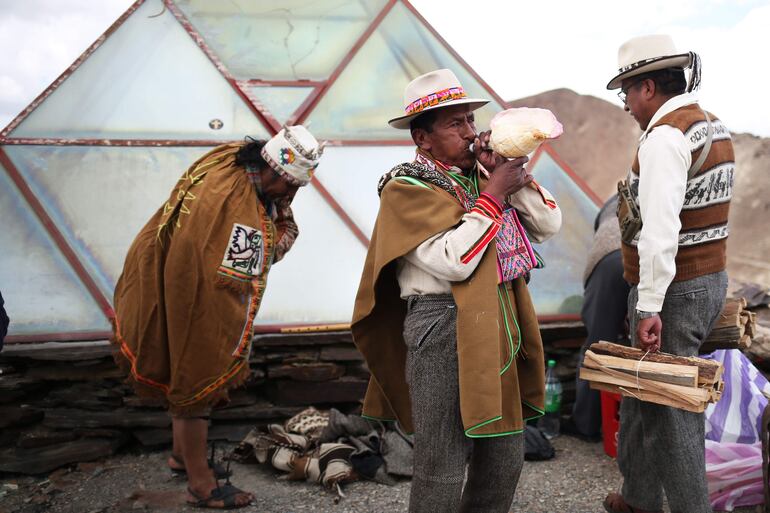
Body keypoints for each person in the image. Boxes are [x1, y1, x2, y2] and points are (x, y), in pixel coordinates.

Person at [351, 69, 561, 513]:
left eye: (470, 120)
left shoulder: (478, 178)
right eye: (455, 124)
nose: (470, 133)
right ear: (423, 138)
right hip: (440, 324)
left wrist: (505, 177)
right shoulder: (405, 188)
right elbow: (453, 260)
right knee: (441, 461)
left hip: (498, 316)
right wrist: (494, 196)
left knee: (503, 454)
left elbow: (546, 225)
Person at [111, 126, 324, 509]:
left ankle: (181, 456)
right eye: (290, 186)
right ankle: (200, 484)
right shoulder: (235, 207)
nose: (291, 196)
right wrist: (286, 229)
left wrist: (278, 210)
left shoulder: (229, 161)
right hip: (195, 294)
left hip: (171, 271)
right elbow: (259, 257)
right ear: (273, 170)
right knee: (199, 369)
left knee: (184, 364)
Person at [604, 35, 734, 513]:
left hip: (674, 290)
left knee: (671, 410)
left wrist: (649, 306)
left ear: (649, 88)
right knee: (643, 391)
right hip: (706, 277)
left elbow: (661, 232)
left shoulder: (665, 138)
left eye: (627, 93)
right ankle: (638, 497)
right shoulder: (710, 127)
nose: (625, 106)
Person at [566, 195, 629, 441]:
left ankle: (586, 424)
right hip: (648, 262)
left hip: (610, 261)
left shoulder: (615, 200)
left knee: (597, 347)